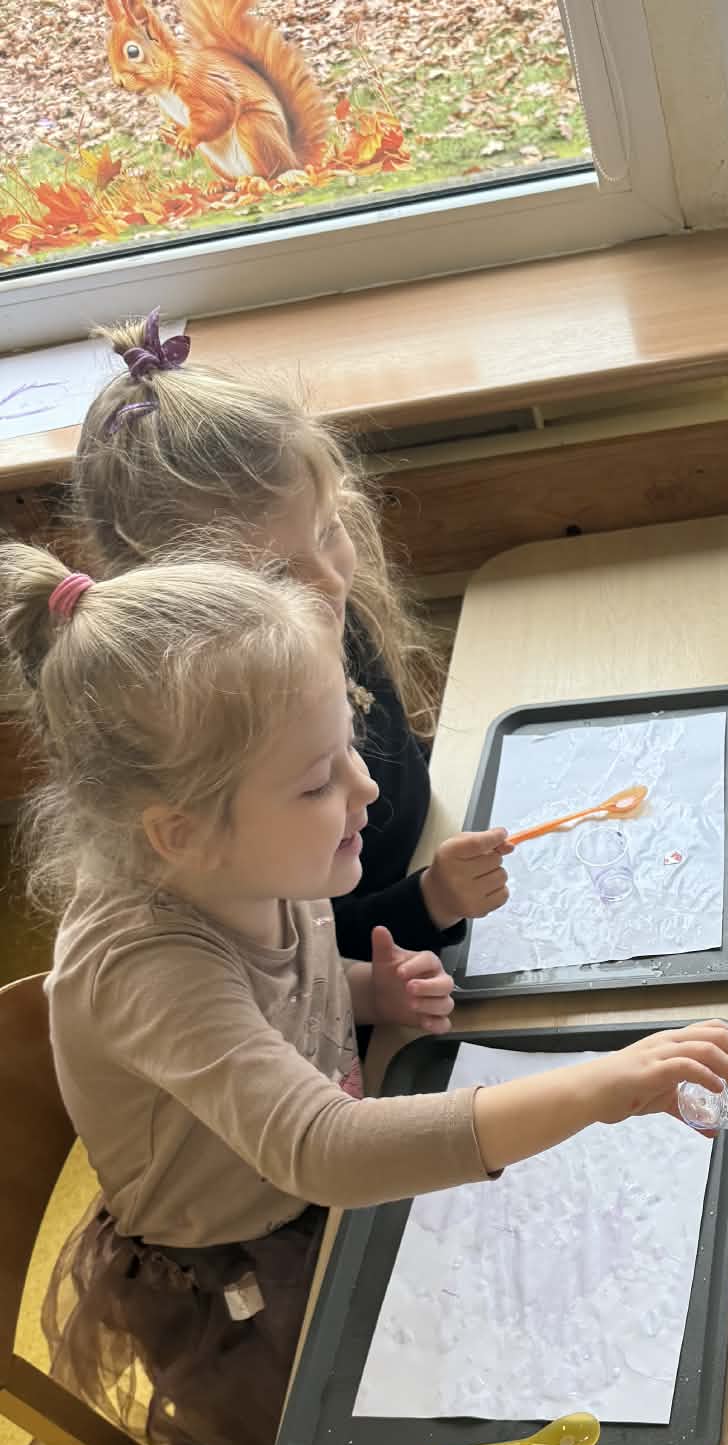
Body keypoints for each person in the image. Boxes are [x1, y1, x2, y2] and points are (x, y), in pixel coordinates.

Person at [2, 546, 728, 1445]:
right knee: (465, 1431)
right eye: (317, 780)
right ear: (180, 833)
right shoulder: (144, 968)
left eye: (347, 746)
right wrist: (599, 1087)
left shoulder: (251, 858)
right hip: (249, 1282)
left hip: (333, 1186)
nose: (364, 786)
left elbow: (285, 985)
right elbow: (323, 1148)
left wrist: (369, 988)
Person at [71, 311, 508, 960]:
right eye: (274, 573)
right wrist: (431, 902)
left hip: (427, 889)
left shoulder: (320, 614)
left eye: (329, 530)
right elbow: (289, 959)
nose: (328, 581)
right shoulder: (219, 732)